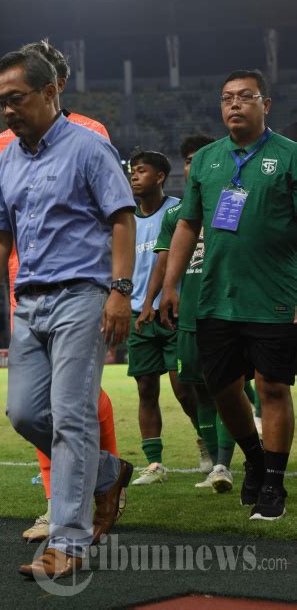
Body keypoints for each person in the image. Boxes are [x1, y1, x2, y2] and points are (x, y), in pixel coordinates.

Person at [0, 49, 136, 579]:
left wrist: (119, 291)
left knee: (71, 418)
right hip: (29, 302)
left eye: (16, 100)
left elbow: (122, 218)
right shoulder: (6, 159)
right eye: (0, 104)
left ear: (49, 92)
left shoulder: (90, 147)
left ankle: (68, 542)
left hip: (82, 296)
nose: (8, 111)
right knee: (24, 414)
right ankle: (107, 472)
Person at [160, 69, 297, 520]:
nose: (234, 104)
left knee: (273, 387)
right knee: (221, 389)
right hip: (217, 297)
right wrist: (170, 284)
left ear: (265, 104)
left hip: (275, 295)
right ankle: (255, 461)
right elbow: (187, 225)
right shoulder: (207, 160)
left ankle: (273, 484)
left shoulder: (290, 157)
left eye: (244, 97)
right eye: (226, 98)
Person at [140, 134, 237, 492]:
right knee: (196, 391)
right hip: (189, 316)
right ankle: (217, 462)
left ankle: (229, 462)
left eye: (201, 158)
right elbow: (166, 263)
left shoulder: (230, 203)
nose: (193, 166)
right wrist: (163, 295)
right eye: (189, 160)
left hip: (228, 310)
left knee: (230, 387)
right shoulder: (177, 215)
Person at [127, 149, 204, 485]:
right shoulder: (125, 219)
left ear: (159, 177)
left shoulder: (177, 212)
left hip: (172, 312)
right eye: (132, 171)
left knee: (184, 389)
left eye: (141, 171)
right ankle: (155, 464)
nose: (134, 176)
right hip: (137, 315)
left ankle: (206, 443)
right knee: (146, 388)